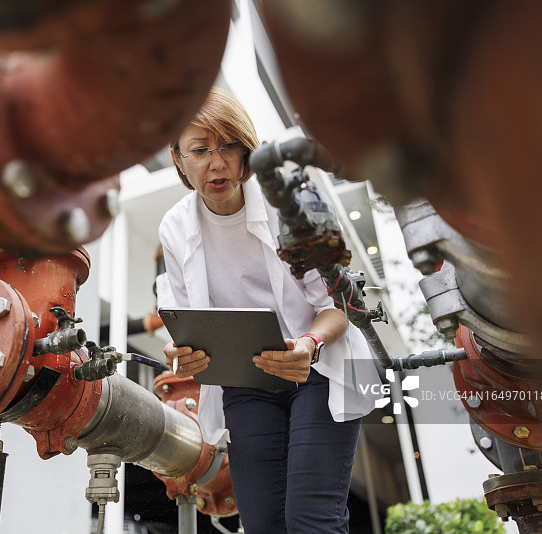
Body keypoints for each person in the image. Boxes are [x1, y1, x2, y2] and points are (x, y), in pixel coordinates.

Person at [157, 87, 381, 533]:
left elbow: (340, 303)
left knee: (311, 520)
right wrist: (183, 353)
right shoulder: (174, 228)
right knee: (262, 523)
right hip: (246, 383)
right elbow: (186, 323)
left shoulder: (289, 205)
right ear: (179, 160)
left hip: (319, 369)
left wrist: (309, 343)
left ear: (247, 149)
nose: (217, 163)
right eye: (199, 150)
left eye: (229, 146)